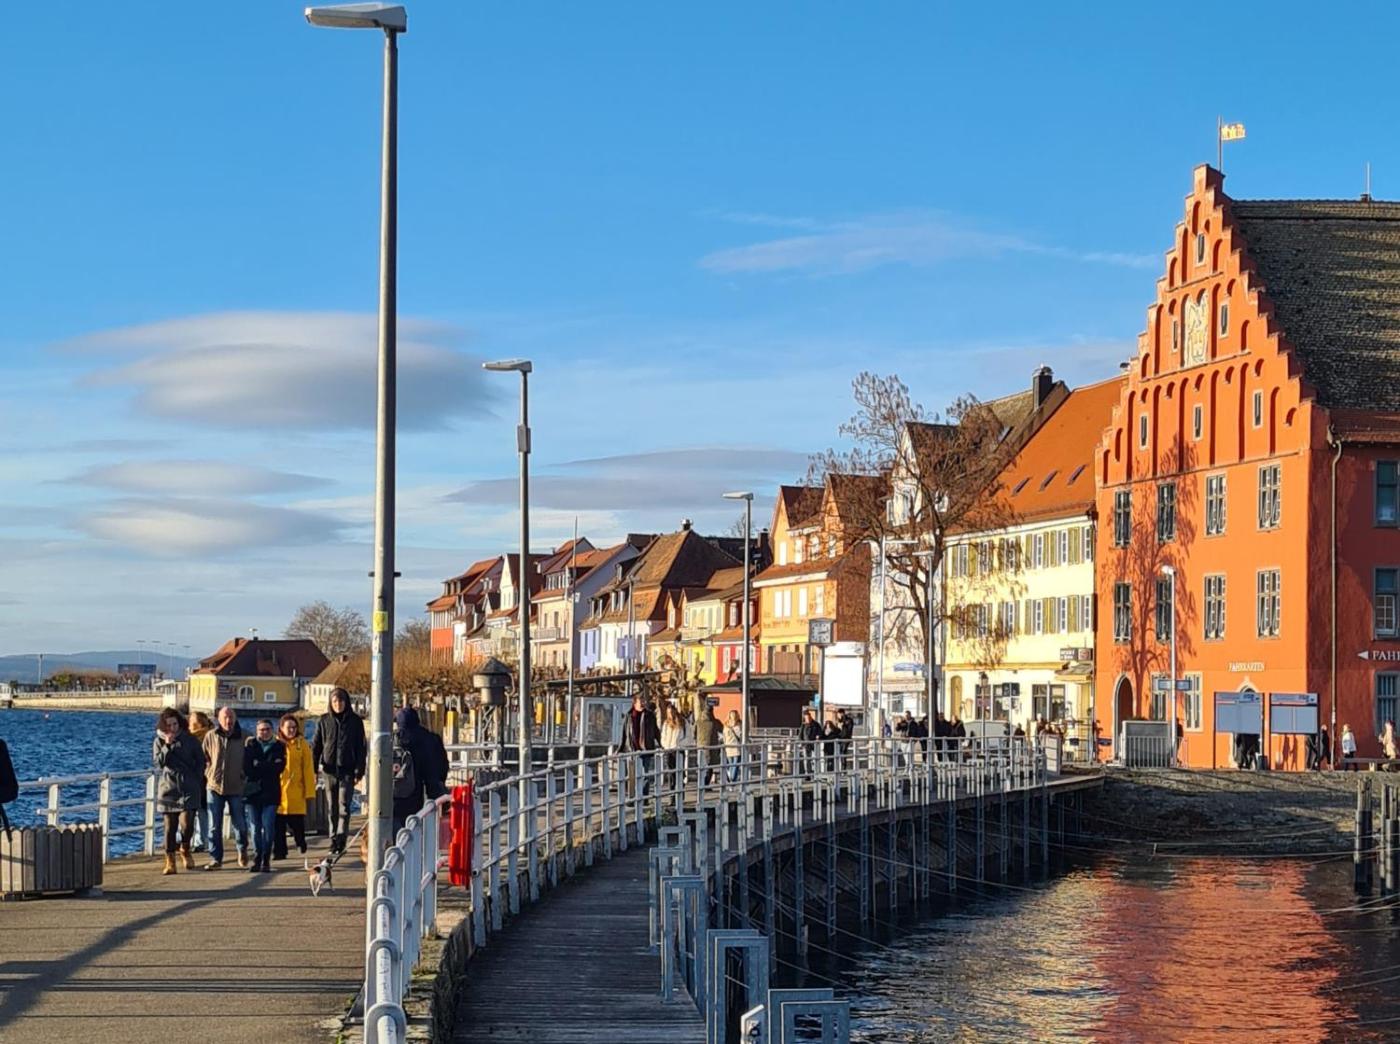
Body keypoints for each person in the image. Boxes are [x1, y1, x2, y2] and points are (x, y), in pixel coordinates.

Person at [313, 688, 366, 856]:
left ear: (346, 702)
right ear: (331, 703)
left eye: (341, 701)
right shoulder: (324, 721)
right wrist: (314, 769)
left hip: (347, 769)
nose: (338, 704)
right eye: (335, 701)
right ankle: (333, 837)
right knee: (332, 806)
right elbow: (316, 746)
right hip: (328, 770)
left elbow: (361, 748)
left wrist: (359, 771)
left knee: (344, 805)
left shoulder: (355, 722)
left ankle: (341, 838)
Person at [152, 707, 203, 875]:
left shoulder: (190, 740)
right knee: (169, 827)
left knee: (187, 824)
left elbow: (200, 761)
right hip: (168, 788)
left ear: (180, 723)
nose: (172, 728)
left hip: (189, 787)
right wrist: (167, 745)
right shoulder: (159, 741)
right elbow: (159, 763)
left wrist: (196, 779)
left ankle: (185, 848)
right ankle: (170, 860)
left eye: (175, 724)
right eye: (169, 725)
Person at [202, 706, 249, 870]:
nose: (228, 721)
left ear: (235, 719)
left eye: (231, 717)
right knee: (214, 825)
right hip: (214, 785)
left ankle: (242, 849)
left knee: (240, 823)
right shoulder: (211, 735)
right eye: (225, 718)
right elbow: (204, 756)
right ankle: (216, 858)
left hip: (236, 786)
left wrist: (244, 775)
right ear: (218, 720)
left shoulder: (245, 736)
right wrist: (208, 772)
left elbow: (251, 757)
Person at [391, 706, 449, 835]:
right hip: (430, 789)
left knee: (399, 827)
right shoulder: (432, 738)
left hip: (402, 790)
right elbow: (443, 765)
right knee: (424, 822)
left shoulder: (395, 739)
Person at [242, 719, 286, 873]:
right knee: (255, 827)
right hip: (253, 792)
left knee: (268, 825)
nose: (265, 732)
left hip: (271, 792)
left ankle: (266, 858)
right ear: (257, 731)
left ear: (272, 730)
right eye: (261, 730)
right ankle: (257, 857)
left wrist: (259, 764)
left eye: (267, 729)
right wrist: (267, 765)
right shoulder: (250, 745)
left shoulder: (279, 746)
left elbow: (279, 767)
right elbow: (247, 768)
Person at [274, 714, 316, 862]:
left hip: (296, 790)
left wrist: (309, 791)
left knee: (297, 823)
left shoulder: (302, 744)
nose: (291, 730)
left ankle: (300, 843)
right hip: (279, 790)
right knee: (278, 825)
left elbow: (308, 768)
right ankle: (279, 851)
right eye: (288, 727)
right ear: (281, 728)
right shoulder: (276, 744)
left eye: (294, 727)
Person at [621, 695, 661, 795]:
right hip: (632, 749)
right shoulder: (629, 715)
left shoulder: (649, 715)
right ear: (635, 703)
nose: (643, 704)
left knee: (645, 774)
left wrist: (661, 744)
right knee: (632, 775)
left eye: (644, 701)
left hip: (646, 749)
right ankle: (632, 796)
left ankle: (644, 796)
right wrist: (620, 748)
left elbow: (655, 731)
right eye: (641, 702)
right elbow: (624, 733)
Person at [186, 711, 214, 852]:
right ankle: (198, 840)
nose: (189, 724)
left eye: (191, 722)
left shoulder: (204, 737)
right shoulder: (190, 737)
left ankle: (199, 840)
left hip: (202, 778)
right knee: (197, 810)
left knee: (199, 810)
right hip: (197, 778)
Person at [694, 700, 720, 785]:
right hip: (712, 746)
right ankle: (706, 784)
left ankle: (701, 782)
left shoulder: (698, 721)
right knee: (710, 766)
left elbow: (694, 732)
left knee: (701, 766)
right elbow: (722, 729)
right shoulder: (715, 722)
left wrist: (696, 741)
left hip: (701, 746)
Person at [798, 707, 823, 776]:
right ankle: (807, 773)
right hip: (806, 744)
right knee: (806, 760)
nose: (808, 719)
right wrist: (802, 743)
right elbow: (800, 735)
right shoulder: (803, 725)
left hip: (814, 744)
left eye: (809, 718)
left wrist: (818, 736)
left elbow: (820, 732)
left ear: (810, 717)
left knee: (816, 759)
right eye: (806, 718)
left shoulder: (816, 724)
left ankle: (816, 773)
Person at [721, 709, 743, 783]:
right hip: (736, 747)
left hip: (728, 746)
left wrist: (725, 744)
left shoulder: (726, 725)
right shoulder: (740, 725)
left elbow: (724, 737)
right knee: (735, 765)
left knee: (731, 765)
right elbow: (741, 735)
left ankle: (731, 778)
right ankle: (732, 780)